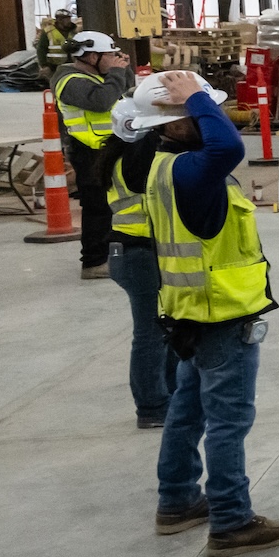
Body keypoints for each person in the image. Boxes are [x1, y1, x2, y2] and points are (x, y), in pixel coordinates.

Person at [130, 72, 279, 556]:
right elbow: (229, 147)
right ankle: (231, 520)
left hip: (190, 312)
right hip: (221, 314)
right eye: (204, 111)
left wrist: (194, 103)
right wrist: (198, 98)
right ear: (179, 124)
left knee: (188, 408)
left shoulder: (164, 164)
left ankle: (178, 499)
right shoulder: (191, 170)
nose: (218, 116)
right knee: (228, 419)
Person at [102, 95, 176, 427]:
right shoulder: (142, 159)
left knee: (160, 330)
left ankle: (166, 399)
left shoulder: (115, 155)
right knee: (151, 333)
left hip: (126, 253)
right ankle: (152, 408)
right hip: (140, 254)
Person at [51, 30, 136, 278]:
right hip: (88, 151)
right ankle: (94, 261)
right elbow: (101, 101)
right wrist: (117, 74)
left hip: (109, 148)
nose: (114, 59)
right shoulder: (69, 80)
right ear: (90, 57)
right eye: (109, 54)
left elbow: (123, 91)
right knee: (97, 206)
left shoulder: (100, 76)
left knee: (114, 204)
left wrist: (123, 71)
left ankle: (110, 253)